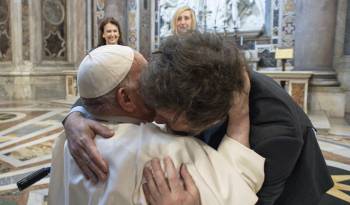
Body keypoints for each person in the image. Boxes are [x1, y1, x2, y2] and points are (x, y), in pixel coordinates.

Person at [63, 32, 334, 205]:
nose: (155, 119)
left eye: (167, 118)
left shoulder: (275, 133)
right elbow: (104, 91)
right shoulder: (184, 71)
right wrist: (74, 117)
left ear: (207, 117)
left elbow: (253, 199)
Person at [48, 44, 265, 205]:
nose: (157, 81)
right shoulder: (165, 152)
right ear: (126, 99)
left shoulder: (68, 143)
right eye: (146, 79)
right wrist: (239, 116)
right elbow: (240, 184)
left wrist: (74, 115)